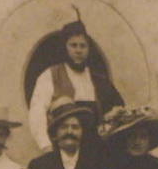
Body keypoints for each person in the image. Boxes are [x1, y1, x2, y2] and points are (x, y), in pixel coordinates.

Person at [26, 14, 126, 153]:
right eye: (73, 45)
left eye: (83, 46)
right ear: (65, 48)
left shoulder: (99, 80)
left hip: (95, 151)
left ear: (88, 49)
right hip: (62, 150)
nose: (78, 50)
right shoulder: (51, 75)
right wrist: (46, 146)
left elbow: (118, 108)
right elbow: (37, 113)